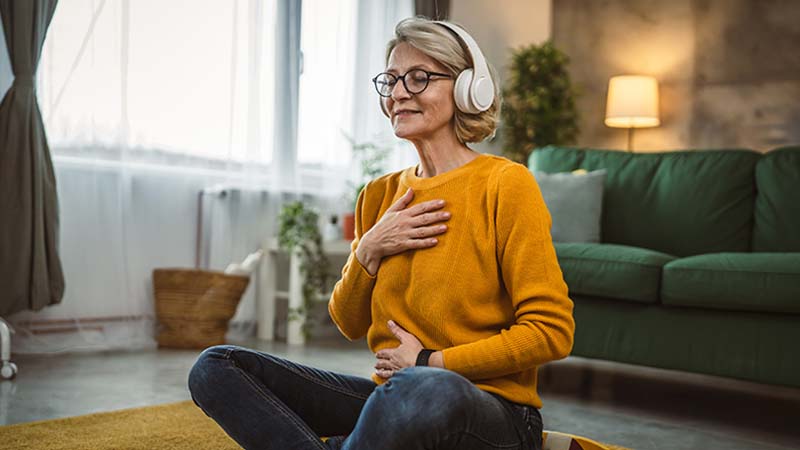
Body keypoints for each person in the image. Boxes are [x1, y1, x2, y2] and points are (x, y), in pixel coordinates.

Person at [188, 17, 574, 450]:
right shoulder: (378, 195)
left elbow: (551, 331)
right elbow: (348, 322)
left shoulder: (506, 184)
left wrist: (432, 361)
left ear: (468, 89)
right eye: (391, 80)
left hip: (492, 410)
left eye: (419, 78)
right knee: (215, 366)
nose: (398, 93)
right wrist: (369, 249)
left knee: (423, 386)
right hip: (394, 401)